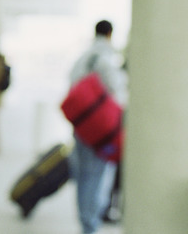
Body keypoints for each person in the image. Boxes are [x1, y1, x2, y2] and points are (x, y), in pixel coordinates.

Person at [67, 20, 127, 234]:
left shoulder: (83, 58)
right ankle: (89, 226)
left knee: (82, 176)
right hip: (101, 131)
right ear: (110, 34)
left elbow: (72, 88)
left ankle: (85, 221)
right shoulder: (107, 58)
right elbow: (117, 91)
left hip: (81, 127)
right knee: (96, 177)